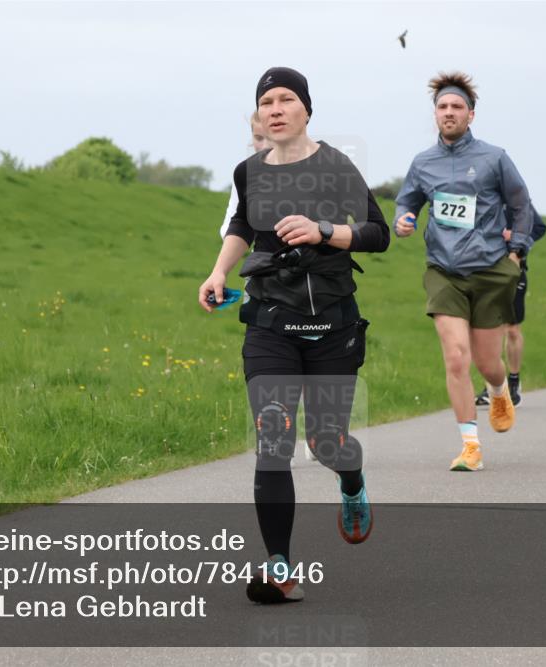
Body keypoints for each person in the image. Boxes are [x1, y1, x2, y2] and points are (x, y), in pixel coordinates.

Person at [198, 67, 389, 603]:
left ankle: (350, 481)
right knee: (273, 436)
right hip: (270, 321)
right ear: (259, 116)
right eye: (266, 102)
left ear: (306, 109)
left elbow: (377, 234)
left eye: (286, 99)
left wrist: (326, 232)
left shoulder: (336, 166)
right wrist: (218, 273)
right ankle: (279, 568)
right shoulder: (248, 171)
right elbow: (242, 226)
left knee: (327, 442)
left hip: (332, 324)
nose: (275, 108)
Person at [394, 71, 533, 473]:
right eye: (442, 107)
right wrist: (404, 219)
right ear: (435, 115)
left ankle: (498, 388)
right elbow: (407, 202)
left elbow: (522, 205)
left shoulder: (494, 158)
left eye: (457, 107)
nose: (449, 112)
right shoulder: (423, 163)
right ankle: (470, 447)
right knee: (456, 358)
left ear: (471, 115)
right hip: (444, 271)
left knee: (488, 361)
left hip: (490, 270)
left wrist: (516, 252)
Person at [475, 204, 546, 407]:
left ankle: (514, 382)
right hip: (484, 270)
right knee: (486, 329)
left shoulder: (517, 200)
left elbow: (540, 227)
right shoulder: (480, 196)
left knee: (512, 329)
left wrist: (517, 239)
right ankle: (491, 386)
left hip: (513, 271)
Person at [219, 112, 270, 239]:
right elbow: (228, 227)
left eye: (272, 138)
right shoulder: (244, 173)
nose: (265, 146)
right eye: (258, 138)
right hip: (261, 255)